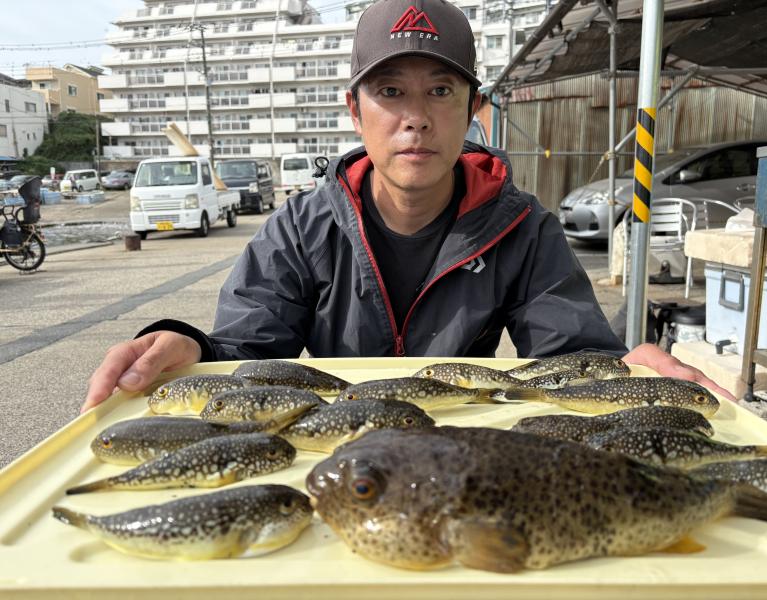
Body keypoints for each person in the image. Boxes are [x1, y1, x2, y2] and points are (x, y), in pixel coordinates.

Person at [82, 0, 732, 412]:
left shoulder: (524, 228)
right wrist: (189, 346)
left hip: (460, 444)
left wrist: (618, 371)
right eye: (390, 90)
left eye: (441, 90)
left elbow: (567, 363)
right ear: (355, 110)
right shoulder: (299, 230)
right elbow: (248, 361)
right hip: (333, 449)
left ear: (474, 109)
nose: (415, 119)